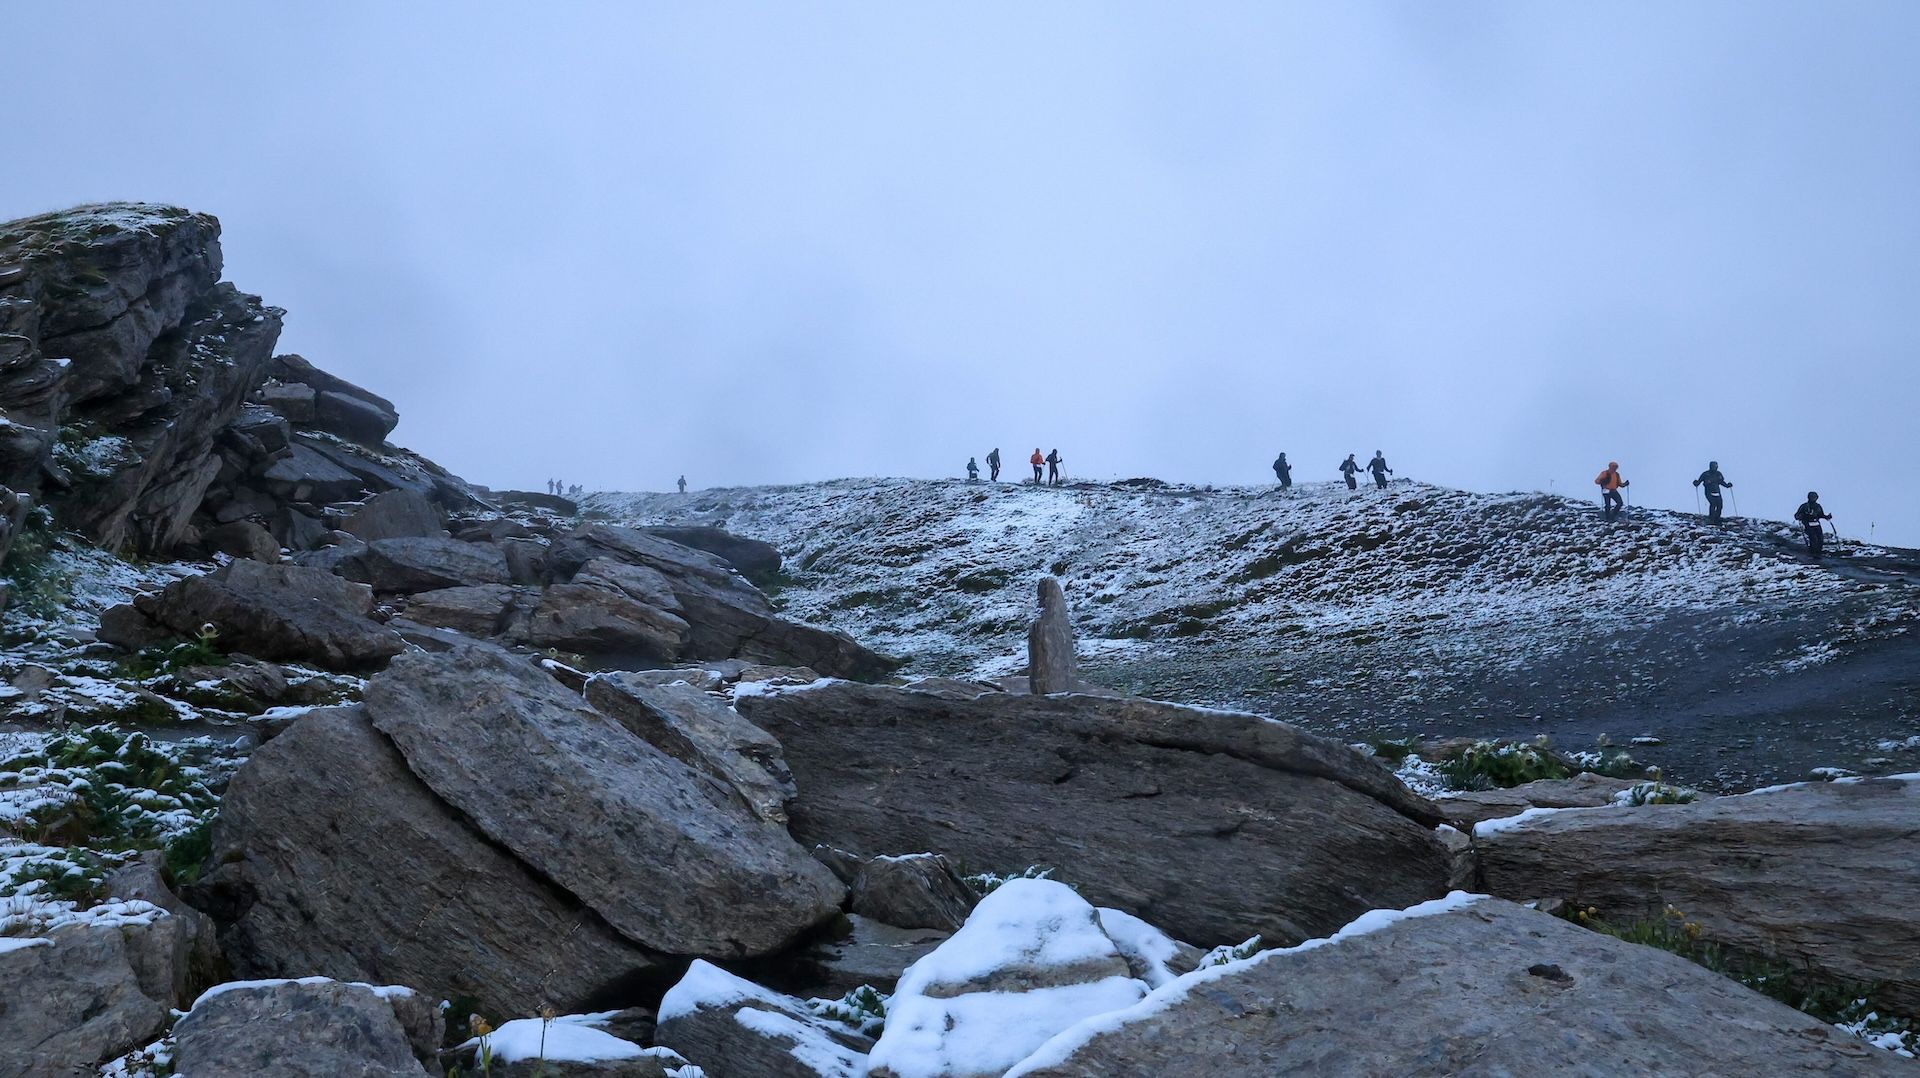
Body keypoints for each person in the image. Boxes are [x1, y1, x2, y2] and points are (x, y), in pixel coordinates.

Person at [1795, 491, 1833, 558]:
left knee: (1820, 538)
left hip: (1816, 523)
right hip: (1808, 523)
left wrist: (1827, 517)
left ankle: (1818, 551)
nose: (1814, 499)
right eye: (1812, 497)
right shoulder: (1804, 506)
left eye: (1815, 497)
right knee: (1813, 538)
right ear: (1809, 498)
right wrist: (1799, 517)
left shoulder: (1818, 506)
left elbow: (1821, 515)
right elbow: (1797, 515)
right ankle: (1813, 552)